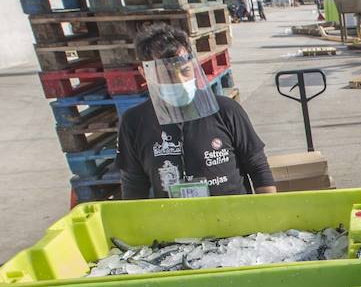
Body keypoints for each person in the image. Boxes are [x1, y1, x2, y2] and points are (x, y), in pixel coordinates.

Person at [117, 24, 276, 199]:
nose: (179, 81)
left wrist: (268, 214)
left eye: (185, 71)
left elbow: (257, 165)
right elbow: (133, 184)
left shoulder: (226, 110)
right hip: (176, 222)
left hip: (233, 219)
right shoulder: (134, 121)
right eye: (168, 74)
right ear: (144, 72)